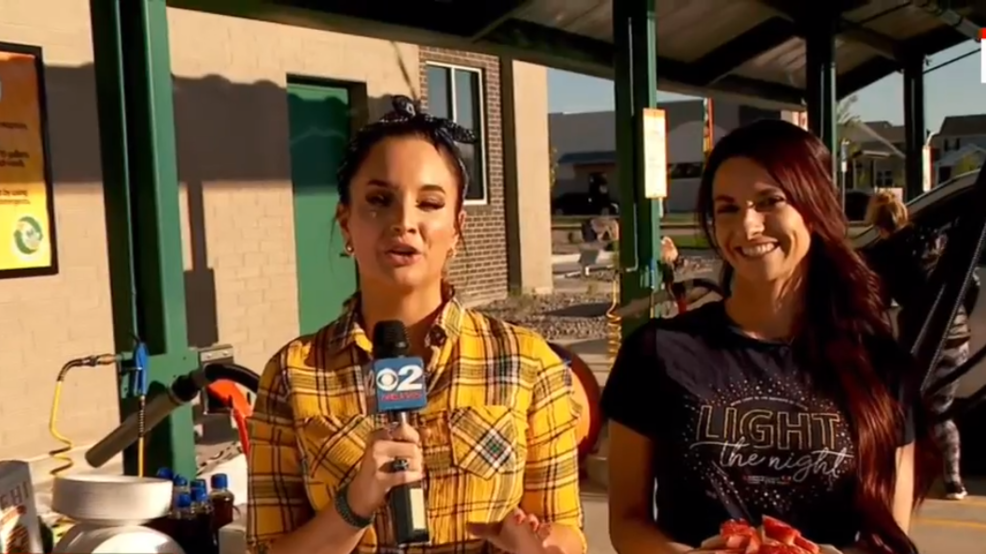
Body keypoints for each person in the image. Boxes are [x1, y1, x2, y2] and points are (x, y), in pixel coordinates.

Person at [246, 96, 586, 554]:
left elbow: (568, 531)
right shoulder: (293, 373)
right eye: (379, 200)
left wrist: (538, 546)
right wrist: (353, 506)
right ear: (346, 223)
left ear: (458, 228)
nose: (404, 222)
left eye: (429, 203)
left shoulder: (526, 362)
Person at [601, 120, 932, 554]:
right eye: (728, 208)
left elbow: (890, 539)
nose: (749, 226)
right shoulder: (657, 352)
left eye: (769, 201)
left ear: (814, 209)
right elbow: (627, 521)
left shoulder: (882, 367)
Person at [864, 190, 976, 500]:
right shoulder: (933, 239)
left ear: (876, 223)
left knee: (901, 406)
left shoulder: (884, 255)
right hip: (957, 331)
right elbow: (972, 283)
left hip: (922, 333)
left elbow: (880, 302)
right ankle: (954, 480)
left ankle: (894, 475)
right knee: (942, 405)